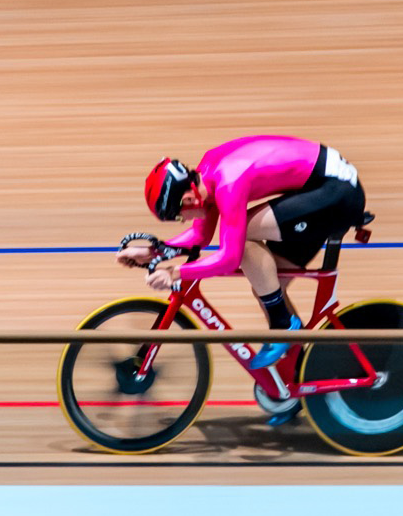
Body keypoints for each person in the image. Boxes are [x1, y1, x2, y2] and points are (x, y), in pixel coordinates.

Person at [118, 135, 367, 372]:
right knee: (266, 283)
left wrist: (175, 273)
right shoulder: (206, 178)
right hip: (321, 190)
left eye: (179, 216)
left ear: (187, 199)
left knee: (244, 234)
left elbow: (230, 258)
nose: (183, 221)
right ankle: (297, 374)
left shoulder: (228, 183)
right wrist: (154, 252)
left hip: (337, 193)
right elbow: (201, 237)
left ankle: (283, 327)